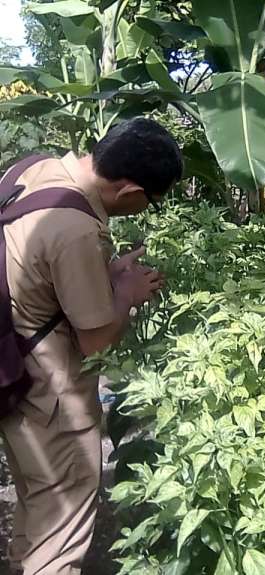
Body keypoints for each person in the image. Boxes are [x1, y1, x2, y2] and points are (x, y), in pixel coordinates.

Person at [0, 117, 182, 575]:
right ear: (129, 191)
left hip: (11, 370)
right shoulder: (77, 229)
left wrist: (104, 275)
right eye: (152, 201)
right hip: (49, 396)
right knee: (60, 533)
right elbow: (96, 337)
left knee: (38, 502)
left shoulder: (31, 169)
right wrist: (126, 294)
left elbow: (35, 271)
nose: (148, 208)